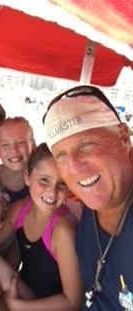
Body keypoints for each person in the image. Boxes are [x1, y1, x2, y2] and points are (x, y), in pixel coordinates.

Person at [43, 85, 133, 310]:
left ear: (123, 137)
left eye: (86, 145)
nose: (73, 167)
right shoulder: (87, 206)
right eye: (61, 155)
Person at [0, 143, 83, 310]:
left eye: (62, 184)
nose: (52, 192)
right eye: (44, 180)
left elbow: (73, 302)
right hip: (22, 294)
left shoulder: (63, 230)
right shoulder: (20, 210)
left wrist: (20, 306)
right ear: (27, 177)